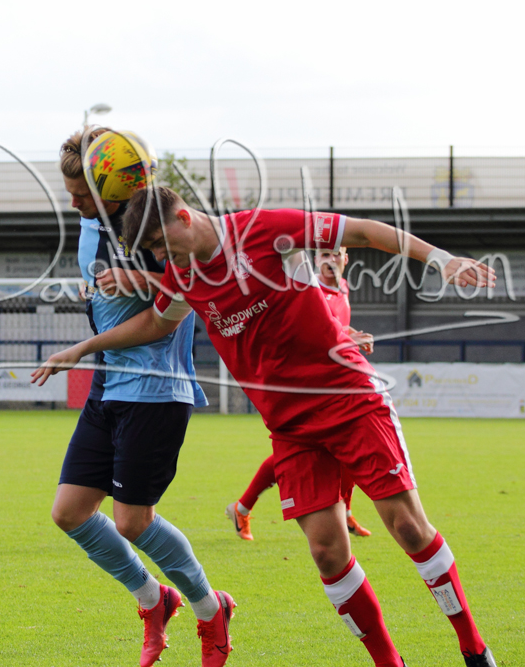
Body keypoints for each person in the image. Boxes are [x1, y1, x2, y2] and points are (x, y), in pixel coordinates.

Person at [33, 186, 499, 667]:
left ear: (184, 219)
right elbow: (156, 323)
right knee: (327, 553)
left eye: (160, 244)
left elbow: (361, 232)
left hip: (349, 401)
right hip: (290, 428)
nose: (161, 258)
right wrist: (83, 349)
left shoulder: (263, 230)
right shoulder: (182, 274)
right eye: (152, 251)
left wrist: (440, 259)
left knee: (408, 527)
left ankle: (474, 649)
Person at [48, 129, 234, 667]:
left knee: (132, 521)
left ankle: (210, 609)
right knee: (70, 513)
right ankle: (155, 600)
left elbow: (175, 306)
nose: (74, 205)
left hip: (155, 390)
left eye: (81, 196)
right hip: (109, 383)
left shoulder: (162, 231)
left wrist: (133, 283)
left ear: (112, 192)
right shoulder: (93, 218)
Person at [226, 247, 376, 541]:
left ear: (346, 259)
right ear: (315, 259)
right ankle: (242, 508)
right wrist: (346, 338)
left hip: (332, 380)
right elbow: (308, 332)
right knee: (295, 451)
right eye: (324, 254)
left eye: (336, 253)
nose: (330, 259)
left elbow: (333, 326)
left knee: (349, 447)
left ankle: (345, 512)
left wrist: (350, 335)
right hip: (307, 383)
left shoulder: (342, 287)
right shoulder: (308, 289)